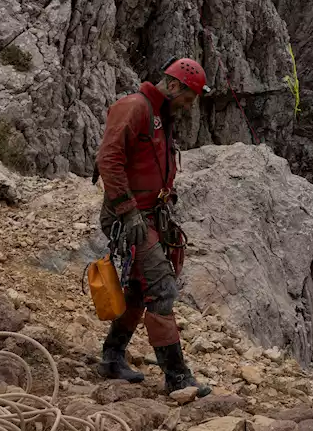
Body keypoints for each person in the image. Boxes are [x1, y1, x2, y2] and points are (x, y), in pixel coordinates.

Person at [94, 57, 213, 395]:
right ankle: (177, 378)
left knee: (136, 287)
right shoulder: (134, 107)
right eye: (187, 99)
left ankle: (112, 357)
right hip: (129, 216)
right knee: (161, 288)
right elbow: (109, 159)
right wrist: (129, 212)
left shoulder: (160, 115)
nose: (188, 107)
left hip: (149, 215)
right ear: (173, 86)